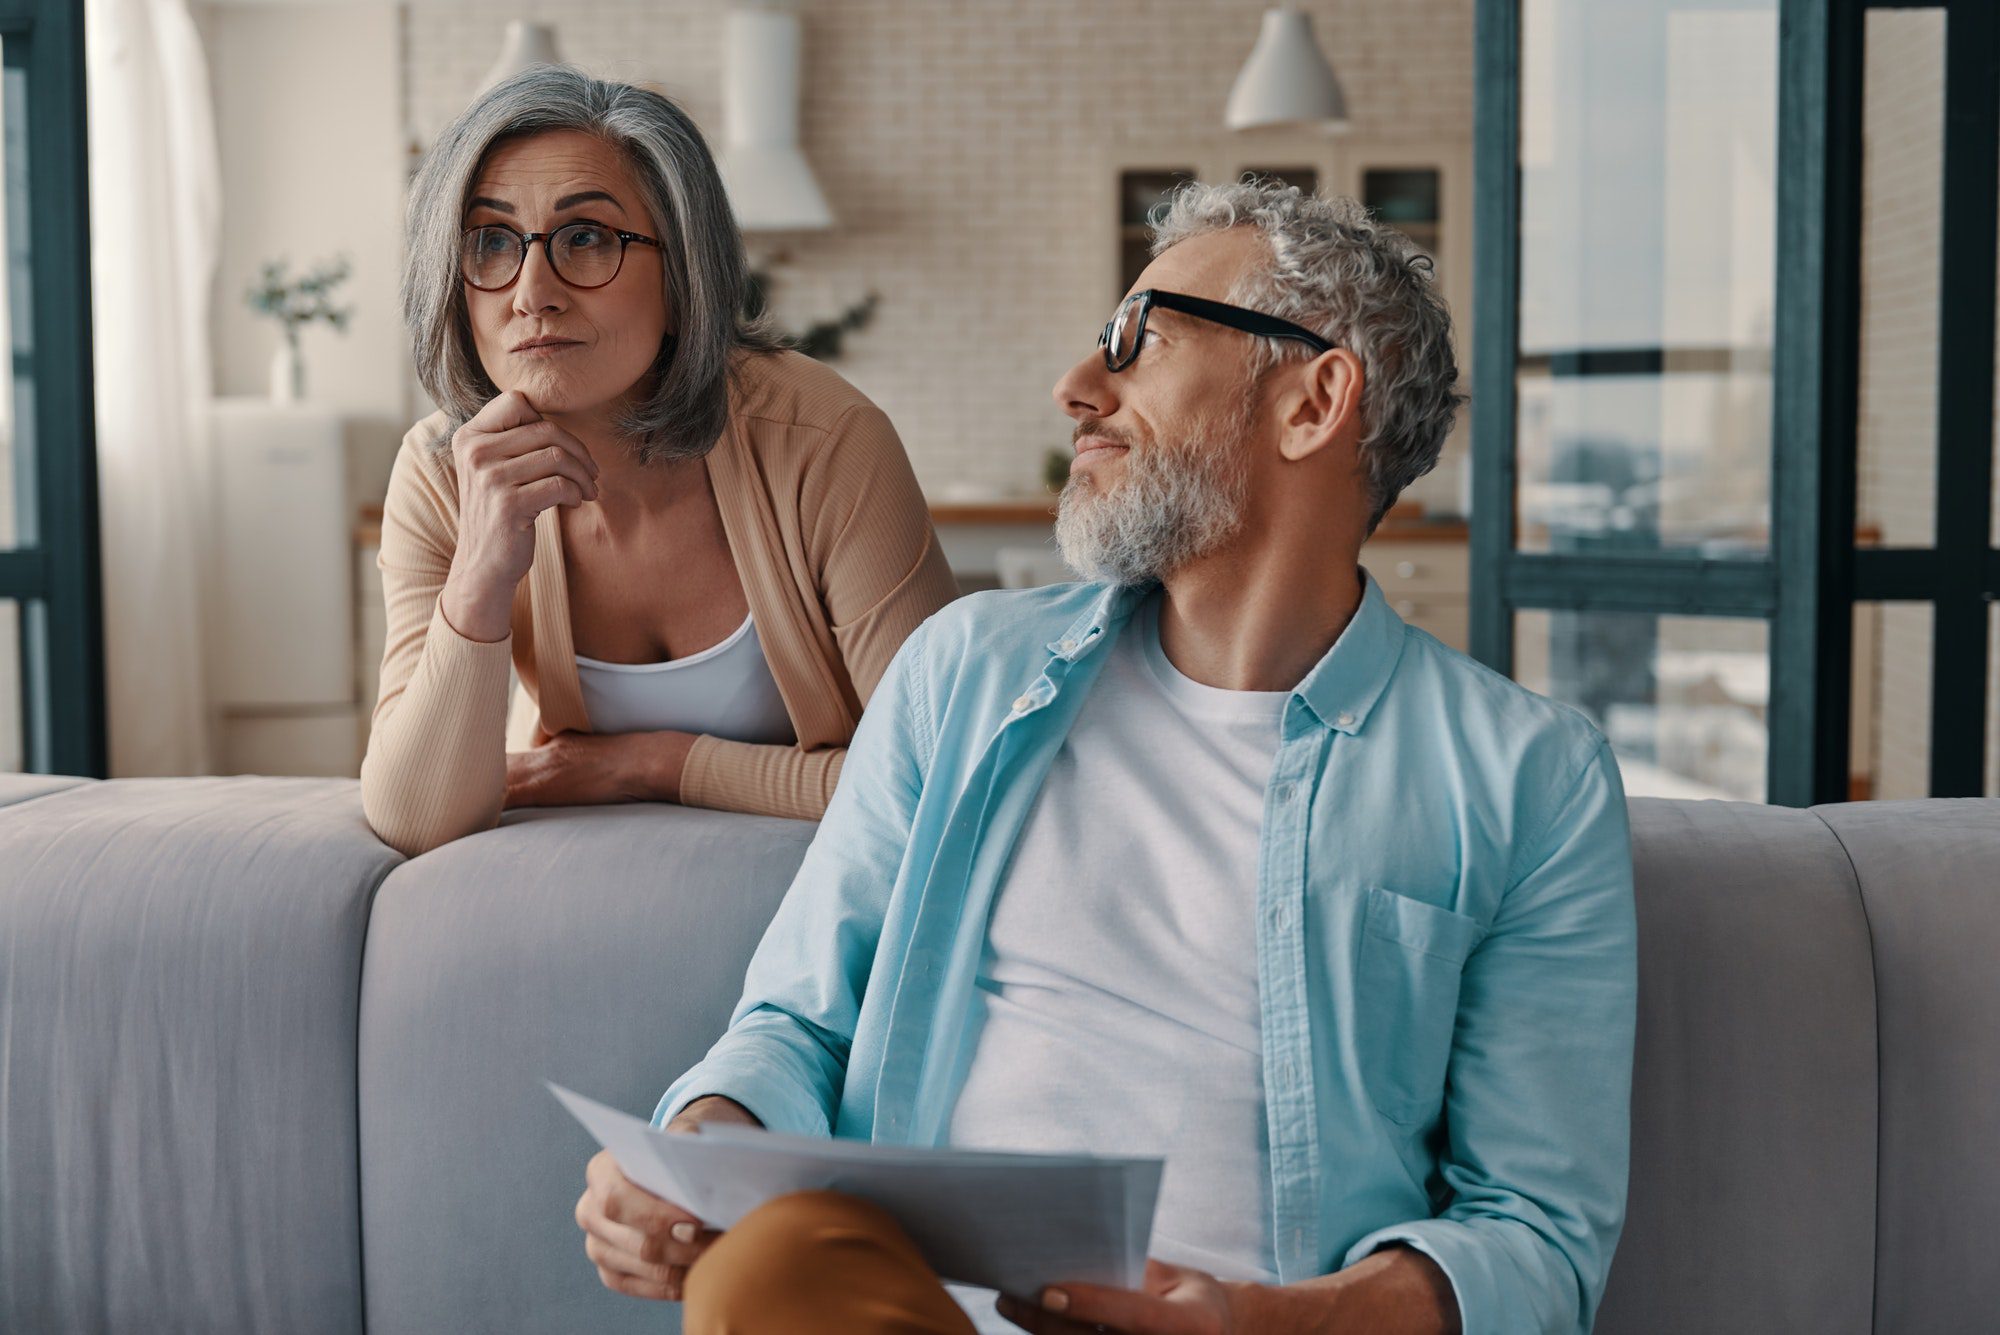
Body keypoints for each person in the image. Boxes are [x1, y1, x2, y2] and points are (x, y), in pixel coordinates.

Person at [575, 181, 1638, 1335]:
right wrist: (694, 1157)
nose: (1078, 388)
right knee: (764, 1270)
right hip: (906, 1311)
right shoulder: (964, 672)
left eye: (1136, 342)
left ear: (1313, 400)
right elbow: (797, 1024)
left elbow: (1533, 1243)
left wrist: (1251, 1322)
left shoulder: (1528, 779)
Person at [360, 68, 957, 856]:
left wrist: (652, 765)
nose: (531, 292)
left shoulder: (824, 439)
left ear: (681, 276)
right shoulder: (441, 471)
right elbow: (412, 818)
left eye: (586, 238)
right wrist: (478, 573)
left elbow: (938, 781)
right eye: (490, 243)